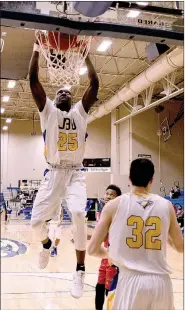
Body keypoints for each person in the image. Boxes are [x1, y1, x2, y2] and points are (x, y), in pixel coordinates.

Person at [29, 38, 99, 299]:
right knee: (36, 223)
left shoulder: (80, 113)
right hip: (53, 173)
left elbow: (95, 84)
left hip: (76, 174)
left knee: (79, 214)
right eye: (60, 93)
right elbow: (33, 81)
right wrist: (36, 50)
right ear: (54, 99)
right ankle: (46, 245)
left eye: (68, 93)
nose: (64, 94)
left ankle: (80, 269)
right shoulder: (48, 112)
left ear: (73, 99)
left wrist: (86, 54)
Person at [88, 158, 184, 310]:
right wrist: (164, 237)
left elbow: (92, 249)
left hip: (130, 281)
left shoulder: (113, 205)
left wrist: (110, 255)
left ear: (129, 178)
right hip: (161, 283)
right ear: (151, 180)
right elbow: (180, 247)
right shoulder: (166, 205)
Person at [95, 185, 122, 310]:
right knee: (99, 286)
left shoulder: (118, 214)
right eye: (107, 193)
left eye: (112, 194)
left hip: (114, 258)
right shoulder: (102, 213)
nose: (109, 196)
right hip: (105, 255)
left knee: (109, 291)